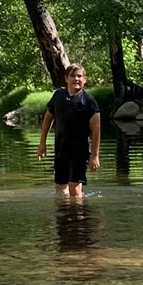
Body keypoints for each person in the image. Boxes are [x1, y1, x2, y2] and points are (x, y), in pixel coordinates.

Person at [38, 62, 101, 197]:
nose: (76, 79)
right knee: (60, 188)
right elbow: (48, 118)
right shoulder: (58, 96)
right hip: (61, 149)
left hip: (80, 151)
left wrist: (95, 156)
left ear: (84, 80)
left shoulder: (89, 101)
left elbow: (96, 130)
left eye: (79, 76)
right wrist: (42, 143)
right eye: (73, 76)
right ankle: (65, 216)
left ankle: (79, 216)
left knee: (75, 189)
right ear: (66, 78)